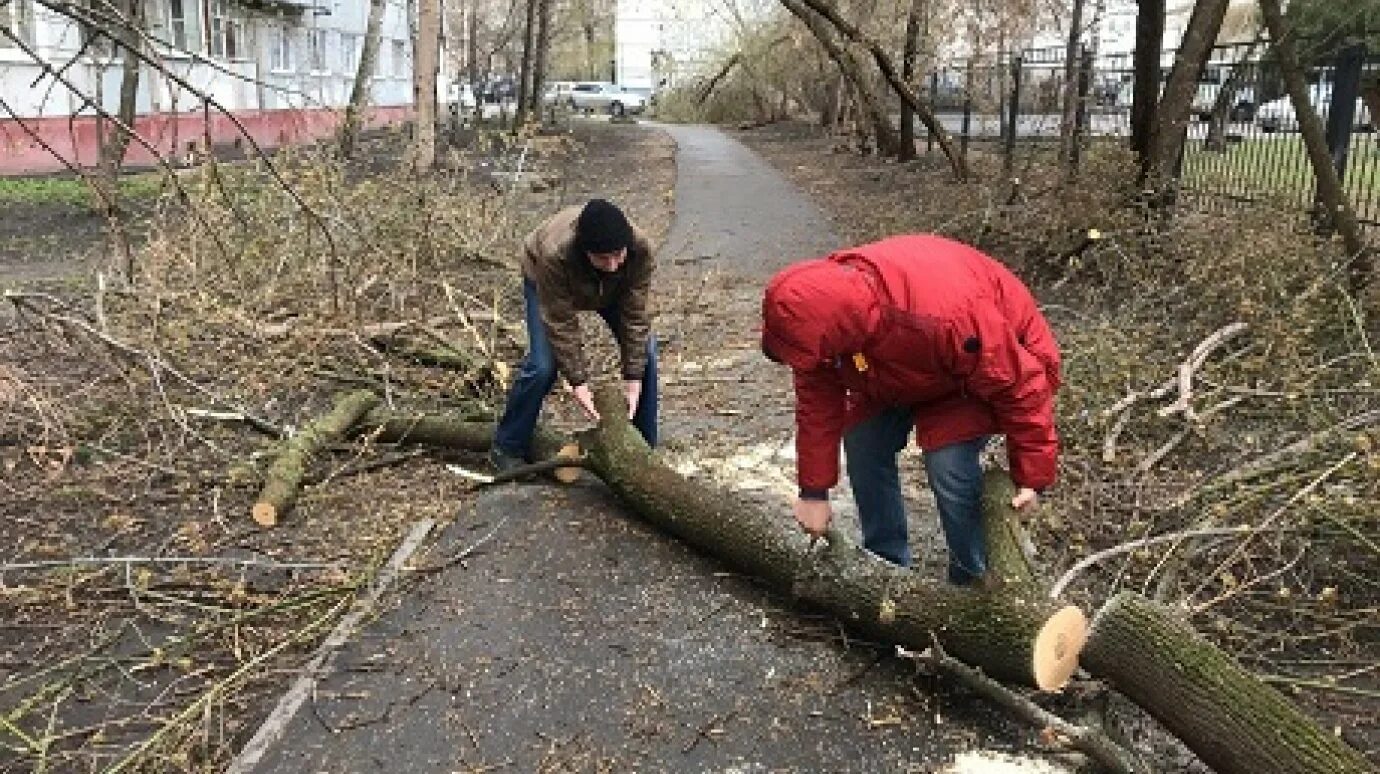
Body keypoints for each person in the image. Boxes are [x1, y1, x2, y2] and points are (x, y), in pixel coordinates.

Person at [760, 234, 1061, 585]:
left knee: (948, 465)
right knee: (863, 439)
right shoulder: (819, 328)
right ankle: (885, 562)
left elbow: (1022, 386)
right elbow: (817, 409)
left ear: (840, 333)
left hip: (970, 375)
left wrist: (1032, 479)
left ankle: (972, 579)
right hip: (890, 367)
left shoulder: (952, 318)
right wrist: (813, 493)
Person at [490, 199, 658, 471]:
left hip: (611, 291)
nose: (614, 264)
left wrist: (634, 377)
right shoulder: (555, 254)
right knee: (542, 367)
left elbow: (636, 316)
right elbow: (561, 322)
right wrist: (578, 382)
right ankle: (507, 445)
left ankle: (644, 449)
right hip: (547, 283)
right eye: (603, 258)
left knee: (646, 353)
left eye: (618, 255)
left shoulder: (640, 249)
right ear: (586, 251)